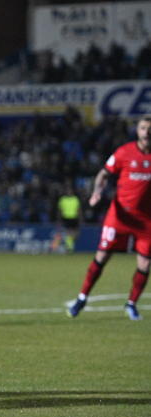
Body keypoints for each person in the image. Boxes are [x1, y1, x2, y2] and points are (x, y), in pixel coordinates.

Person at [69, 115, 151, 321]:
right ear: (138, 130)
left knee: (145, 265)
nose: (146, 132)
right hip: (119, 217)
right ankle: (82, 298)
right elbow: (104, 173)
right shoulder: (124, 152)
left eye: (149, 128)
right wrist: (97, 191)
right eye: (143, 128)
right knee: (102, 257)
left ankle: (131, 304)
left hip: (146, 221)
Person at [55, 183, 83, 253]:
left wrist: (80, 218)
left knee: (76, 234)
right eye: (68, 191)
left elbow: (78, 209)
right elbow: (60, 210)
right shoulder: (63, 199)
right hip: (66, 217)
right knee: (68, 233)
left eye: (70, 191)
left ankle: (69, 245)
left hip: (74, 218)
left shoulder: (75, 199)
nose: (69, 192)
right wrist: (59, 219)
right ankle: (69, 248)